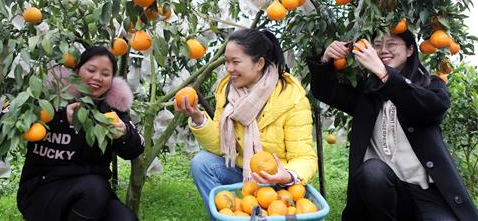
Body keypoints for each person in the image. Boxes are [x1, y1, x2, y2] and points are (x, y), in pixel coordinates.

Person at [306, 30, 478, 221]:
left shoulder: (431, 85)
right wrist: (325, 60)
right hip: (384, 192)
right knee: (372, 171)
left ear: (410, 50)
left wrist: (384, 73)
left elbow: (433, 109)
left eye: (391, 44)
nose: (383, 50)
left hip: (426, 193)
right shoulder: (367, 92)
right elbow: (326, 92)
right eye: (378, 44)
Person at [175, 28, 318, 219]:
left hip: (278, 181)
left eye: (235, 62)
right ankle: (226, 215)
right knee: (202, 163)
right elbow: (220, 146)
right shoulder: (227, 91)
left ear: (259, 63)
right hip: (244, 172)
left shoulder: (290, 98)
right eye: (227, 61)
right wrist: (198, 118)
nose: (229, 68)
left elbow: (304, 157)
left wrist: (288, 175)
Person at [17, 46, 144, 221]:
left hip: (93, 194)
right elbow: (17, 125)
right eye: (91, 70)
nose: (97, 78)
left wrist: (123, 134)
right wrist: (60, 119)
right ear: (77, 70)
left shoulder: (112, 109)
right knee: (95, 187)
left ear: (112, 80)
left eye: (105, 74)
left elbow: (135, 149)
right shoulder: (51, 98)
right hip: (43, 188)